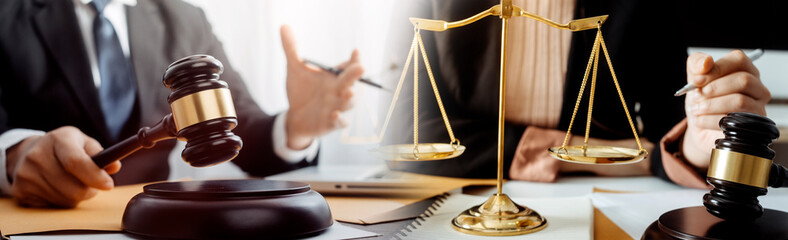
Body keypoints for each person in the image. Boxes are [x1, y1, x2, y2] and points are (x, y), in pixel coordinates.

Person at [0, 0, 363, 207]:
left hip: (153, 222)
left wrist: (296, 126)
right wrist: (13, 154)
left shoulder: (185, 18)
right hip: (39, 219)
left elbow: (239, 128)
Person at [385, 0, 782, 188]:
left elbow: (668, 135)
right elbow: (406, 135)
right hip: (457, 199)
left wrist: (700, 136)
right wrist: (614, 159)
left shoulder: (637, 5)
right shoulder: (430, 5)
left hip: (606, 200)